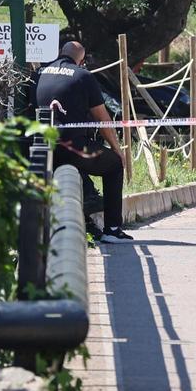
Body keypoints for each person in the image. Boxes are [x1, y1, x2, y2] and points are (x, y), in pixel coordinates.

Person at [34, 41, 133, 243]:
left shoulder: (38, 73)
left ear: (61, 52)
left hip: (41, 148)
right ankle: (112, 229)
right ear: (81, 59)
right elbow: (102, 119)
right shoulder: (83, 76)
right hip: (72, 148)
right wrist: (117, 150)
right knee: (114, 165)